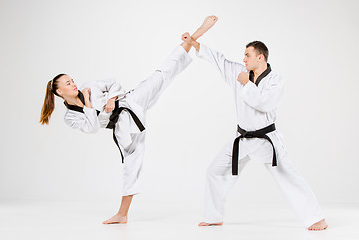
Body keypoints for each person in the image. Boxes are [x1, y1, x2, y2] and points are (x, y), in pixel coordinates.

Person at [39, 16, 218, 224]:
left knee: (161, 74)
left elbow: (113, 83)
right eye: (68, 84)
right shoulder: (70, 116)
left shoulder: (90, 84)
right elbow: (93, 128)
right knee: (131, 165)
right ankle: (122, 214)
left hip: (131, 101)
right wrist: (87, 100)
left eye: (72, 80)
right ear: (60, 92)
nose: (73, 84)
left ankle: (195, 36)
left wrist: (112, 99)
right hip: (123, 128)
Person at [181, 31, 328, 231]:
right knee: (215, 171)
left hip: (265, 139)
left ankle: (316, 218)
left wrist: (246, 84)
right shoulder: (239, 72)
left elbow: (264, 103)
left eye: (247, 55)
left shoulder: (275, 80)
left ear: (260, 57)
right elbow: (219, 60)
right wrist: (195, 44)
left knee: (288, 176)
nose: (243, 59)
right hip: (241, 138)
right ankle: (213, 216)